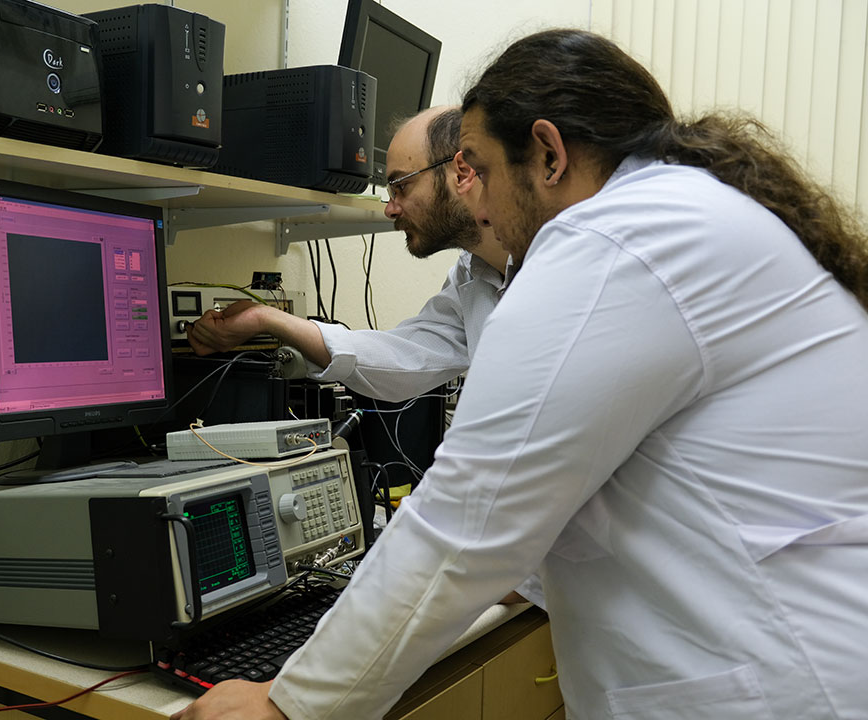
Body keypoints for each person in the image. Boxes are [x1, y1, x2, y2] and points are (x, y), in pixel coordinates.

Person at [175, 28, 868, 720]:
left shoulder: (615, 240)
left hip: (781, 680)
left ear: (548, 153)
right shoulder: (678, 215)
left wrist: (286, 705)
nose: (475, 200)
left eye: (474, 164)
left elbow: (466, 520)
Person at [185, 105, 513, 403]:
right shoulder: (474, 276)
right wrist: (267, 318)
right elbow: (404, 360)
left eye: (401, 186)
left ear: (463, 171)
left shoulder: (551, 265)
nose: (391, 209)